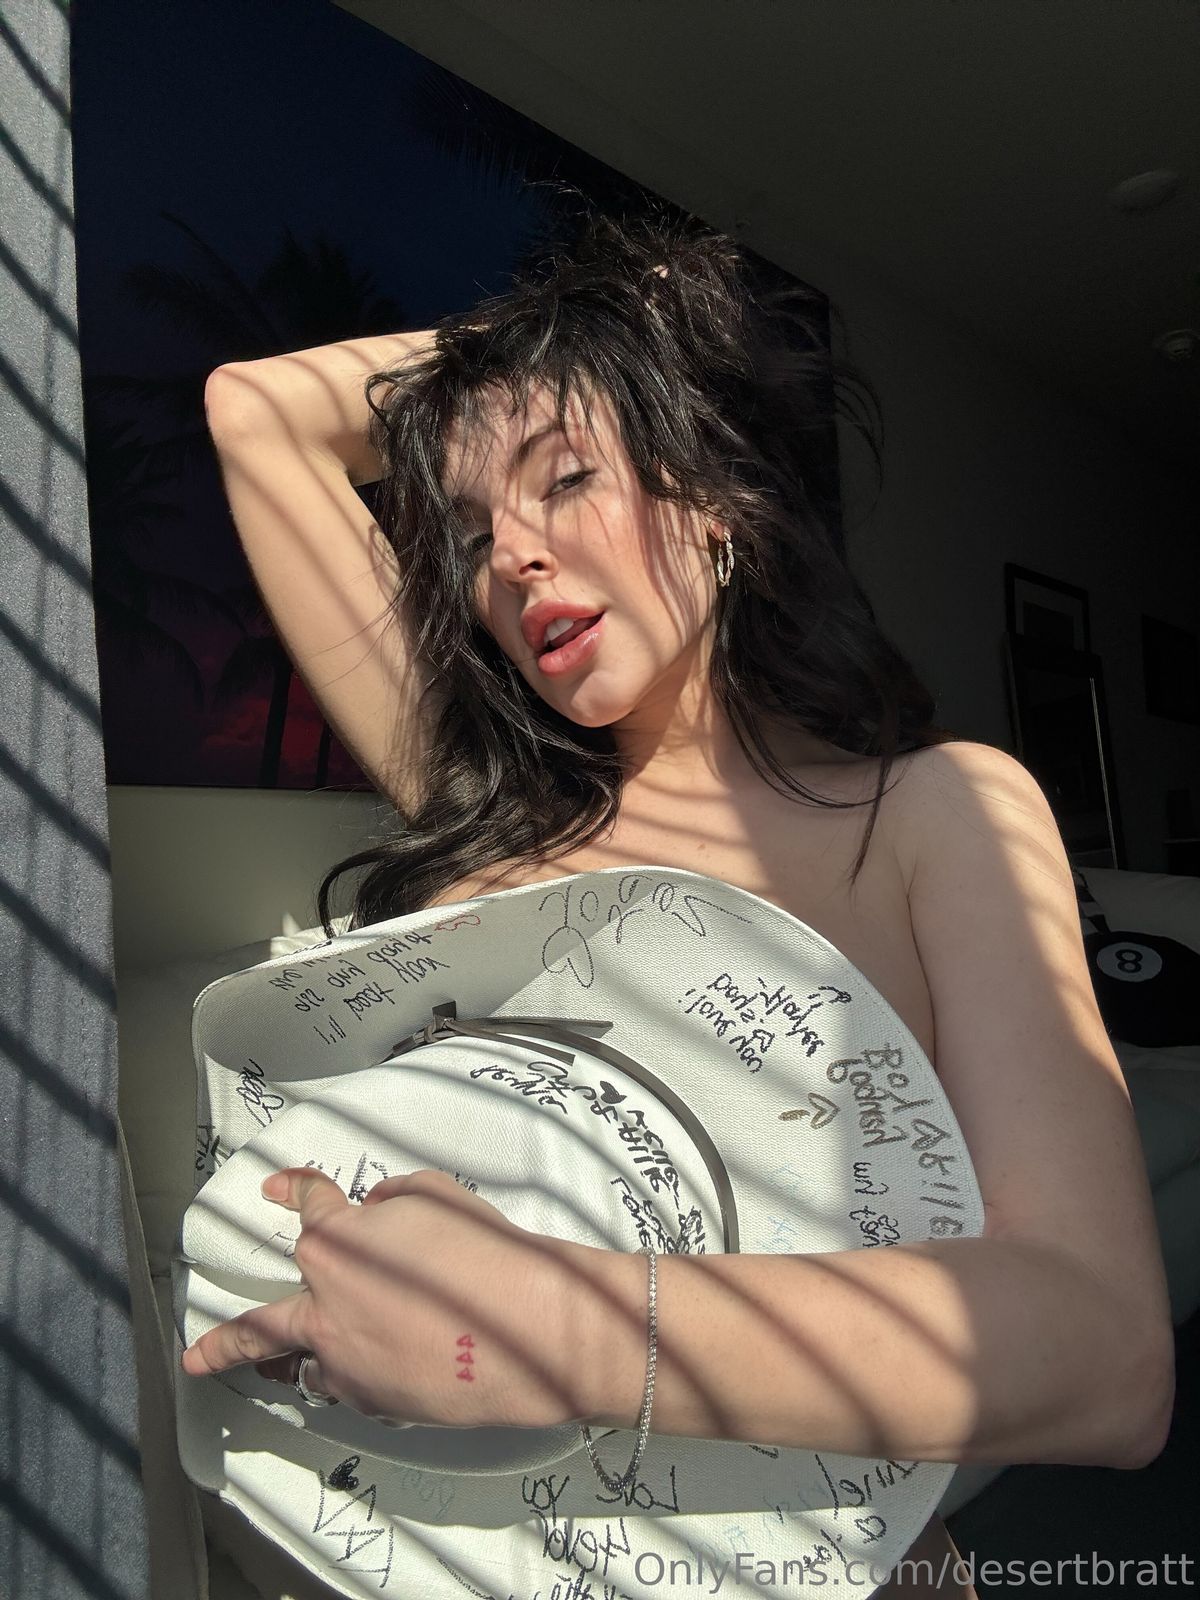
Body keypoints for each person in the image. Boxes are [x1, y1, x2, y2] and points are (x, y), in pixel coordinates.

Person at [189, 209, 1174, 1597]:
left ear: (711, 493)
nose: (513, 555)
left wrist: (545, 1330)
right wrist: (576, 339)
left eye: (567, 475)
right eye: (470, 534)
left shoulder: (929, 818)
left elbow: (1108, 1357)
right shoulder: (490, 827)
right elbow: (255, 412)